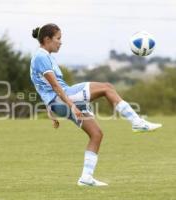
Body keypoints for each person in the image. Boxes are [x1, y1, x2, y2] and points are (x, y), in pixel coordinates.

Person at [30, 23, 162, 187]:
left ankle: (86, 178)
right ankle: (136, 122)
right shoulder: (41, 56)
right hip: (64, 98)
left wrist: (52, 112)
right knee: (107, 87)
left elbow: (44, 88)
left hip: (59, 103)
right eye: (58, 38)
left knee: (96, 134)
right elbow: (56, 87)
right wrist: (71, 105)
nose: (60, 42)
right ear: (47, 39)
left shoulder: (44, 56)